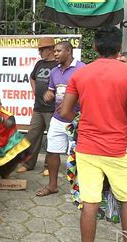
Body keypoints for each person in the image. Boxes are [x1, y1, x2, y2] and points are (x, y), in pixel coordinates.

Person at [60, 26, 127, 242]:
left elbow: (66, 112)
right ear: (119, 48)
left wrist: (85, 114)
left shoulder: (80, 74)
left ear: (95, 47)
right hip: (118, 149)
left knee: (90, 204)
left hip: (87, 148)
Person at [36, 41, 85, 197]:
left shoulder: (82, 69)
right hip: (57, 119)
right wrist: (49, 95)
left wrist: (70, 102)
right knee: (52, 152)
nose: (55, 54)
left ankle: (81, 188)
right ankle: (52, 185)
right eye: (54, 51)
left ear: (68, 51)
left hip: (76, 119)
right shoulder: (54, 71)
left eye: (58, 51)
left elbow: (88, 95)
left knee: (80, 156)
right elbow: (52, 90)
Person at [17, 37, 58, 176]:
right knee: (32, 136)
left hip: (52, 108)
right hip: (38, 107)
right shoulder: (39, 63)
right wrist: (35, 90)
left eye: (42, 49)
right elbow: (32, 77)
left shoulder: (58, 65)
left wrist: (53, 93)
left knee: (52, 137)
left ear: (51, 49)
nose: (39, 52)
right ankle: (28, 164)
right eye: (39, 49)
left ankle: (49, 166)